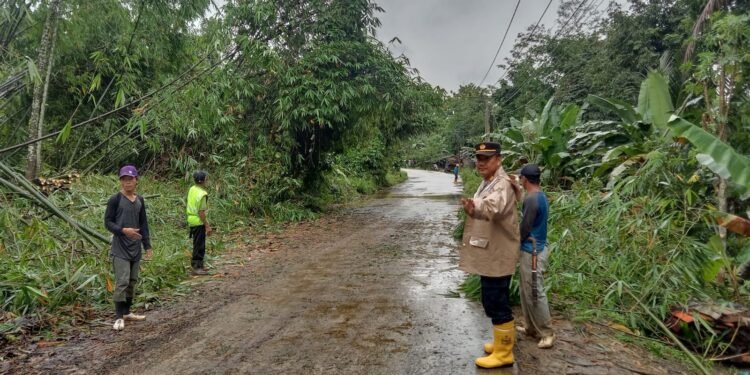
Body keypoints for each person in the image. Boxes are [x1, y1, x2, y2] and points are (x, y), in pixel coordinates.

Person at [459, 142, 522, 369]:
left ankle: (504, 353)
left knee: (497, 301)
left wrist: (474, 205)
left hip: (498, 252)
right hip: (493, 251)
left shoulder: (503, 184)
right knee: (492, 299)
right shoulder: (490, 181)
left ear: (498, 159)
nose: (481, 162)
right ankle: (500, 343)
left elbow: (493, 206)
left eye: (486, 158)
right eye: (478, 158)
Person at [104, 165, 152, 331]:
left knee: (132, 281)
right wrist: (123, 230)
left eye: (130, 179)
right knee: (122, 281)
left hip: (135, 247)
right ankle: (118, 317)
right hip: (120, 248)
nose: (128, 183)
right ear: (121, 182)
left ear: (136, 181)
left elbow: (143, 224)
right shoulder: (115, 199)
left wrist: (147, 245)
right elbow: (108, 222)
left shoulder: (140, 200)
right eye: (124, 179)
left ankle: (127, 313)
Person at [517, 164, 555, 348]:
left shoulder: (532, 199)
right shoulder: (539, 195)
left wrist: (514, 242)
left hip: (532, 250)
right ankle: (530, 327)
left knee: (535, 290)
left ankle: (547, 333)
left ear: (525, 178)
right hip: (534, 247)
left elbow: (525, 227)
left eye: (520, 178)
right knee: (525, 290)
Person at [186, 170, 211, 275]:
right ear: (203, 180)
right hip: (198, 220)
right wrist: (207, 225)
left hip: (191, 219)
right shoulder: (202, 194)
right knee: (199, 245)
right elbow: (201, 212)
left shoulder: (192, 189)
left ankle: (199, 265)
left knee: (197, 243)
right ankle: (197, 267)